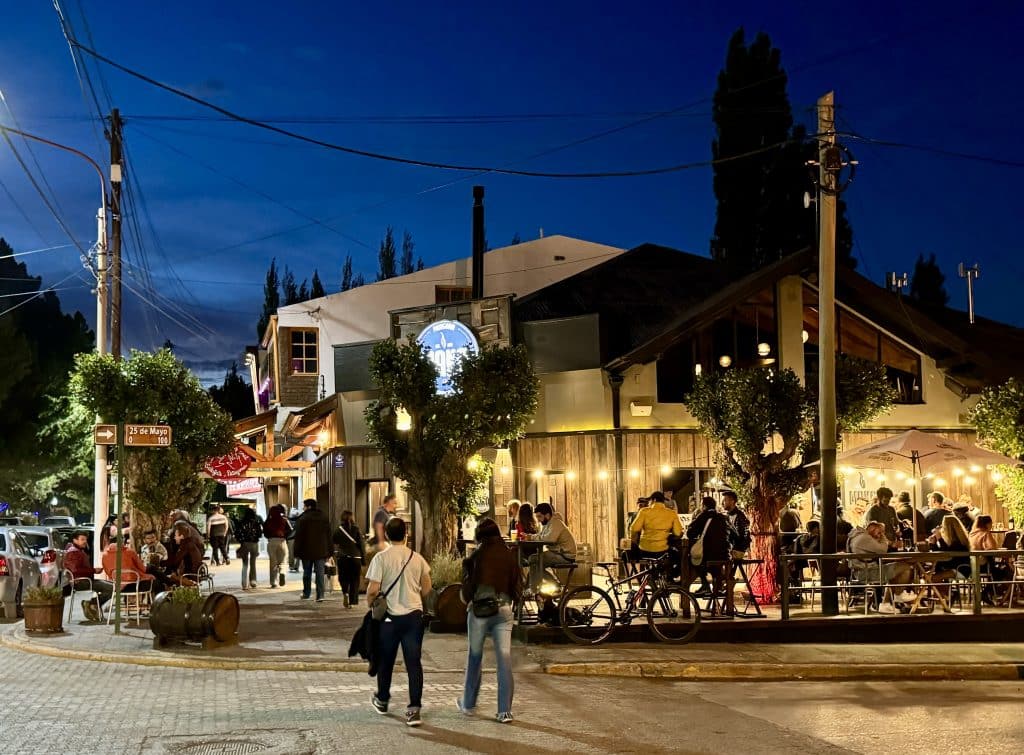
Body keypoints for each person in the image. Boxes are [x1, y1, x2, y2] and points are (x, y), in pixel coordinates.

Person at [366, 517, 432, 727]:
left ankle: (383, 700)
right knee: (414, 663)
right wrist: (414, 597)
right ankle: (414, 709)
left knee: (386, 660)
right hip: (413, 616)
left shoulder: (381, 558)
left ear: (386, 534)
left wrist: (372, 604)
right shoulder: (417, 558)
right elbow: (427, 587)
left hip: (389, 619)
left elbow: (373, 589)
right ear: (406, 534)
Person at [458, 518, 522, 724]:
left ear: (480, 537)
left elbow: (467, 589)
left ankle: (468, 704)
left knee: (475, 657)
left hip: (479, 611)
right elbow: (518, 585)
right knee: (504, 660)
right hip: (503, 610)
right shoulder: (510, 555)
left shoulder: (476, 557)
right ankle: (504, 711)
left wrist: (468, 600)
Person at [847, 521, 915, 612]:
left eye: (881, 533)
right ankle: (897, 596)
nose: (880, 535)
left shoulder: (857, 536)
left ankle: (887, 603)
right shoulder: (864, 538)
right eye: (879, 532)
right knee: (905, 567)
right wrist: (883, 535)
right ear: (871, 529)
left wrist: (879, 536)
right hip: (868, 573)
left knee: (897, 570)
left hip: (862, 571)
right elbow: (882, 549)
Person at [685, 497, 736, 597]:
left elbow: (690, 533)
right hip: (724, 555)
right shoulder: (723, 517)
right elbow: (733, 534)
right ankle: (718, 585)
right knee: (715, 567)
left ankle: (705, 585)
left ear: (703, 506)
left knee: (693, 560)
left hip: (708, 554)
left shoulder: (703, 516)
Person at [64, 531, 113, 621]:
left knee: (112, 585)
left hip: (85, 580)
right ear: (75, 540)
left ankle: (93, 604)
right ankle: (92, 604)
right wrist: (94, 570)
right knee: (113, 588)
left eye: (85, 539)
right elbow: (75, 570)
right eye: (82, 539)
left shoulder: (77, 550)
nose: (85, 541)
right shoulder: (73, 552)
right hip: (81, 582)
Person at [527, 503, 577, 590]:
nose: (538, 520)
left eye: (539, 517)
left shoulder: (556, 523)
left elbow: (549, 539)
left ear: (547, 515)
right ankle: (538, 590)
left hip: (565, 555)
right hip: (558, 553)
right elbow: (542, 535)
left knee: (534, 561)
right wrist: (530, 537)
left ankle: (543, 587)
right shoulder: (549, 524)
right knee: (533, 560)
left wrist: (531, 537)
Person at [294, 498, 333, 602]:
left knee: (307, 572)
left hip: (306, 551)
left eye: (304, 506)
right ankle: (320, 595)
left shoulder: (303, 518)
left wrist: (296, 551)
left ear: (309, 507)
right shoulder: (324, 517)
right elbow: (329, 535)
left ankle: (306, 593)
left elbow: (299, 537)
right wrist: (330, 551)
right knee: (320, 573)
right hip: (321, 551)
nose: (303, 508)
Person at [629, 491, 681, 559]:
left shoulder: (644, 511)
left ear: (654, 500)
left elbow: (634, 528)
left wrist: (634, 542)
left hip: (644, 550)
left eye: (650, 501)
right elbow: (678, 532)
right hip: (662, 552)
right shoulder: (672, 513)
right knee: (676, 555)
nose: (649, 503)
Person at [970, 514, 1006, 606]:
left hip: (971, 566)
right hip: (983, 566)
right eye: (991, 523)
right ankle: (986, 593)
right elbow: (992, 549)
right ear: (987, 524)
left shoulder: (971, 534)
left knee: (997, 572)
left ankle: (988, 593)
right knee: (1004, 572)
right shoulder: (985, 534)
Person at [333, 510, 364, 608]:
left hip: (343, 557)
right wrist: (363, 560)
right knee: (355, 580)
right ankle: (352, 602)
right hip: (355, 557)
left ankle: (345, 592)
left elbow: (334, 540)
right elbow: (361, 545)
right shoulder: (356, 529)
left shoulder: (339, 529)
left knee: (343, 577)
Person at [263, 503, 292, 588]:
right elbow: (290, 530)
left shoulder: (268, 521)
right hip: (282, 541)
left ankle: (273, 582)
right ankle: (282, 572)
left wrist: (270, 537)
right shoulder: (284, 520)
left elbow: (265, 533)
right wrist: (284, 536)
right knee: (283, 560)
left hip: (271, 542)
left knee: (273, 563)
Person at [235, 507, 264, 590]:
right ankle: (253, 581)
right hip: (254, 544)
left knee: (244, 564)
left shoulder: (241, 522)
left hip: (244, 544)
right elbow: (259, 533)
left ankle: (244, 583)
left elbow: (237, 533)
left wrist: (241, 541)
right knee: (253, 563)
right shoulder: (256, 522)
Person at [721, 491, 751, 559]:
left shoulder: (740, 516)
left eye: (725, 500)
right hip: (730, 550)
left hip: (736, 551)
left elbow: (741, 537)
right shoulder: (728, 516)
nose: (723, 503)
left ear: (732, 501)